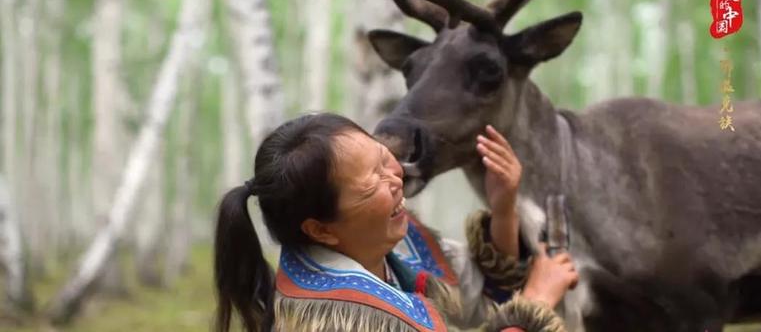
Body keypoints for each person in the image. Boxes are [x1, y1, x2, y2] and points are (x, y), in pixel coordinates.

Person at [213, 113, 579, 332]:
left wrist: (503, 208)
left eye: (383, 157)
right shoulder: (339, 320)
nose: (397, 177)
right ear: (321, 229)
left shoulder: (380, 242)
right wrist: (535, 304)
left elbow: (478, 294)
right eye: (372, 181)